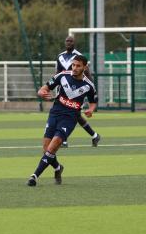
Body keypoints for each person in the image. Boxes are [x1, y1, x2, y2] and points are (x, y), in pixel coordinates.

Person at [27, 55, 97, 186]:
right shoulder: (62, 76)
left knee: (55, 144)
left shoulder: (89, 85)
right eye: (73, 65)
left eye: (78, 66)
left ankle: (34, 176)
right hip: (54, 114)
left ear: (84, 67)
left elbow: (93, 102)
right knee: (46, 149)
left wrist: (91, 110)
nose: (75, 68)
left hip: (70, 118)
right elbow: (44, 88)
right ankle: (58, 168)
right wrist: (41, 92)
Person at [55, 36, 101, 148]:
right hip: (64, 90)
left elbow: (88, 73)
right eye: (67, 41)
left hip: (78, 90)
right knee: (74, 114)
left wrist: (92, 88)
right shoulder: (60, 56)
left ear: (74, 43)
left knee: (70, 113)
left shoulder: (79, 57)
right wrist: (55, 86)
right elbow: (58, 72)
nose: (69, 43)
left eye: (71, 41)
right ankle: (94, 135)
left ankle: (63, 139)